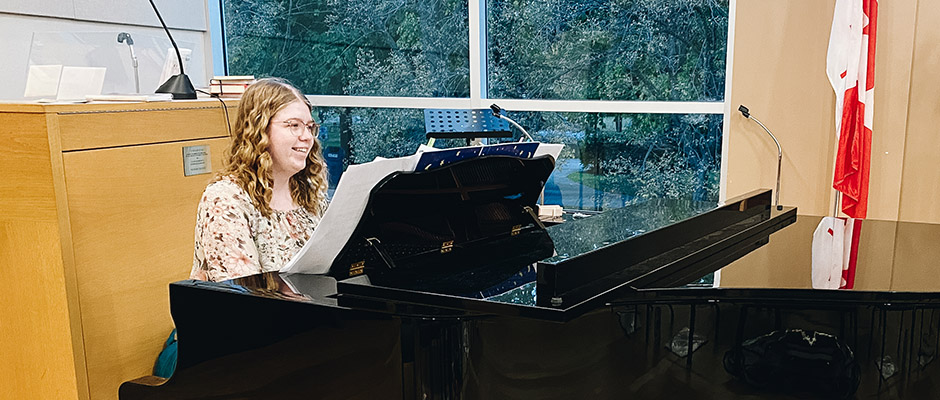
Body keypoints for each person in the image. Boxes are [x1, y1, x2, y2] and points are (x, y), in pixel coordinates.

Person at [190, 78, 329, 281]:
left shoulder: (309, 194)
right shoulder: (226, 199)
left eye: (309, 127)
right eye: (294, 125)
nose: (307, 137)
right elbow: (246, 297)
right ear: (259, 130)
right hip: (261, 311)